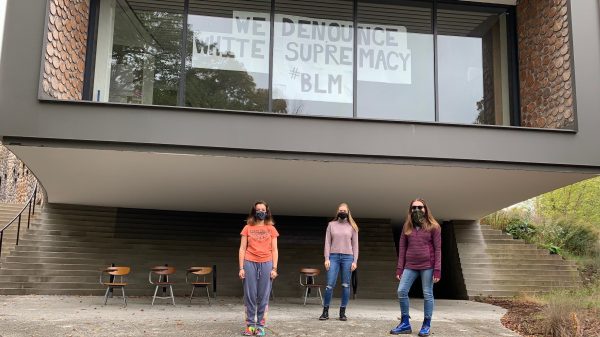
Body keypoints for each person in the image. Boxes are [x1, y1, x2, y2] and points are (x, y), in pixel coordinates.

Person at [390, 198, 441, 336]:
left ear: (425, 209)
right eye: (414, 208)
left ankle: (426, 325)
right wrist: (400, 268)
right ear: (410, 210)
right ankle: (405, 323)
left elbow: (438, 249)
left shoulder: (434, 227)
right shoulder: (407, 227)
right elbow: (402, 247)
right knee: (401, 291)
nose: (417, 210)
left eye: (420, 207)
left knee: (427, 294)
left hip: (428, 266)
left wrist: (437, 270)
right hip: (410, 265)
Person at [239, 201, 279, 336]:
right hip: (249, 262)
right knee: (250, 295)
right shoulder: (247, 228)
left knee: (263, 296)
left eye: (263, 209)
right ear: (254, 211)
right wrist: (241, 268)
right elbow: (242, 248)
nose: (261, 211)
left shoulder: (271, 229)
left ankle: (260, 326)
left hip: (267, 263)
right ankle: (250, 326)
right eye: (258, 209)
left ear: (267, 212)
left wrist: (274, 268)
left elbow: (275, 249)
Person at [319, 203, 359, 321]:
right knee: (329, 285)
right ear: (337, 212)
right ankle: (325, 311)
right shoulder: (331, 225)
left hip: (348, 257)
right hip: (333, 257)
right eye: (340, 210)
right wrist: (326, 258)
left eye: (344, 210)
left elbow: (355, 245)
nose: (342, 212)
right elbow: (327, 242)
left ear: (348, 212)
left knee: (346, 285)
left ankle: (342, 312)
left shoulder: (352, 226)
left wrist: (355, 261)